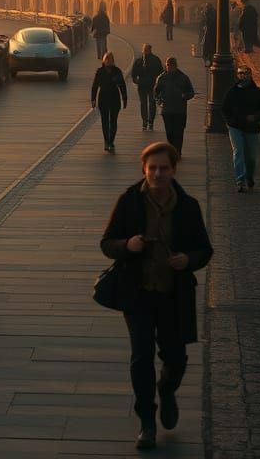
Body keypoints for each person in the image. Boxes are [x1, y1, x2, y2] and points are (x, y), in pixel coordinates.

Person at [100, 142, 213, 451]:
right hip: (137, 293)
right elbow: (107, 242)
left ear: (173, 169)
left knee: (176, 357)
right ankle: (147, 422)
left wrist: (188, 260)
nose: (158, 173)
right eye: (153, 168)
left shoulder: (187, 207)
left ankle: (167, 389)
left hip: (173, 295)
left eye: (164, 168)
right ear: (144, 170)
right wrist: (128, 246)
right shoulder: (129, 201)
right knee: (141, 356)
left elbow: (205, 249)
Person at [221, 64, 260, 192]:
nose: (243, 76)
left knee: (251, 156)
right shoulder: (232, 92)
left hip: (252, 127)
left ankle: (249, 176)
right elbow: (224, 109)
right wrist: (230, 122)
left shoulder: (257, 92)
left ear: (250, 75)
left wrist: (255, 117)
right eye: (241, 73)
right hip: (235, 127)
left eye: (246, 73)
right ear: (238, 75)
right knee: (238, 152)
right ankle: (240, 180)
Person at [154, 57, 195, 157]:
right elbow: (155, 92)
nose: (169, 67)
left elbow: (191, 92)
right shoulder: (162, 78)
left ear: (175, 66)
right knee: (169, 131)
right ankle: (172, 149)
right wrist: (159, 102)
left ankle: (177, 150)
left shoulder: (183, 78)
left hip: (179, 109)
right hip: (166, 109)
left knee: (179, 131)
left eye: (171, 65)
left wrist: (184, 96)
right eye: (168, 65)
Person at [91, 51, 128, 152]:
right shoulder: (100, 71)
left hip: (114, 98)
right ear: (104, 60)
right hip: (103, 98)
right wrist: (93, 99)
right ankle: (106, 141)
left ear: (113, 61)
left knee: (113, 121)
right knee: (105, 121)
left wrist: (125, 98)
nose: (109, 61)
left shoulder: (117, 71)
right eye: (107, 59)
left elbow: (122, 86)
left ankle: (111, 141)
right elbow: (95, 86)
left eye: (110, 59)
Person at [131, 44, 164, 132]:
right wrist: (136, 80)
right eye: (144, 49)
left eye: (146, 49)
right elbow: (133, 74)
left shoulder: (154, 60)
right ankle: (146, 121)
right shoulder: (139, 61)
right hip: (143, 85)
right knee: (144, 103)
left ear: (150, 50)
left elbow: (160, 73)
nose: (145, 51)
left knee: (150, 103)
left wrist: (158, 84)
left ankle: (149, 122)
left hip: (152, 86)